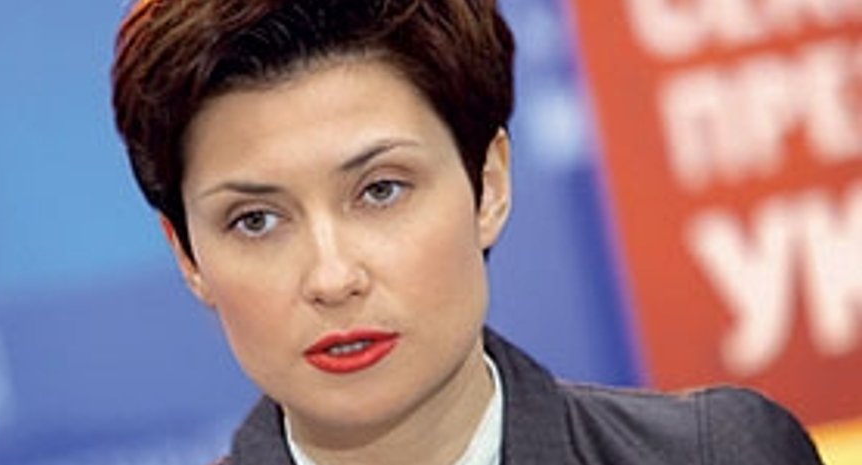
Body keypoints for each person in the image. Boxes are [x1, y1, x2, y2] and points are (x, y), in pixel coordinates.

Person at [111, 1, 824, 464]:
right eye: (255, 220)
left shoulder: (719, 454)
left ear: (490, 184)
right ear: (188, 256)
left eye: (380, 190)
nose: (332, 277)